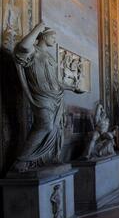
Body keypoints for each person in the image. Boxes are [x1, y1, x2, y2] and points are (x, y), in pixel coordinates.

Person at [12, 22, 85, 172]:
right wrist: (38, 27)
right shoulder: (33, 51)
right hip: (41, 95)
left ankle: (46, 158)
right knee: (45, 125)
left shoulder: (50, 57)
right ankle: (21, 160)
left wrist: (73, 88)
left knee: (54, 129)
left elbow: (56, 81)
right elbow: (23, 46)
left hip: (55, 97)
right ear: (44, 36)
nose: (55, 40)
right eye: (53, 37)